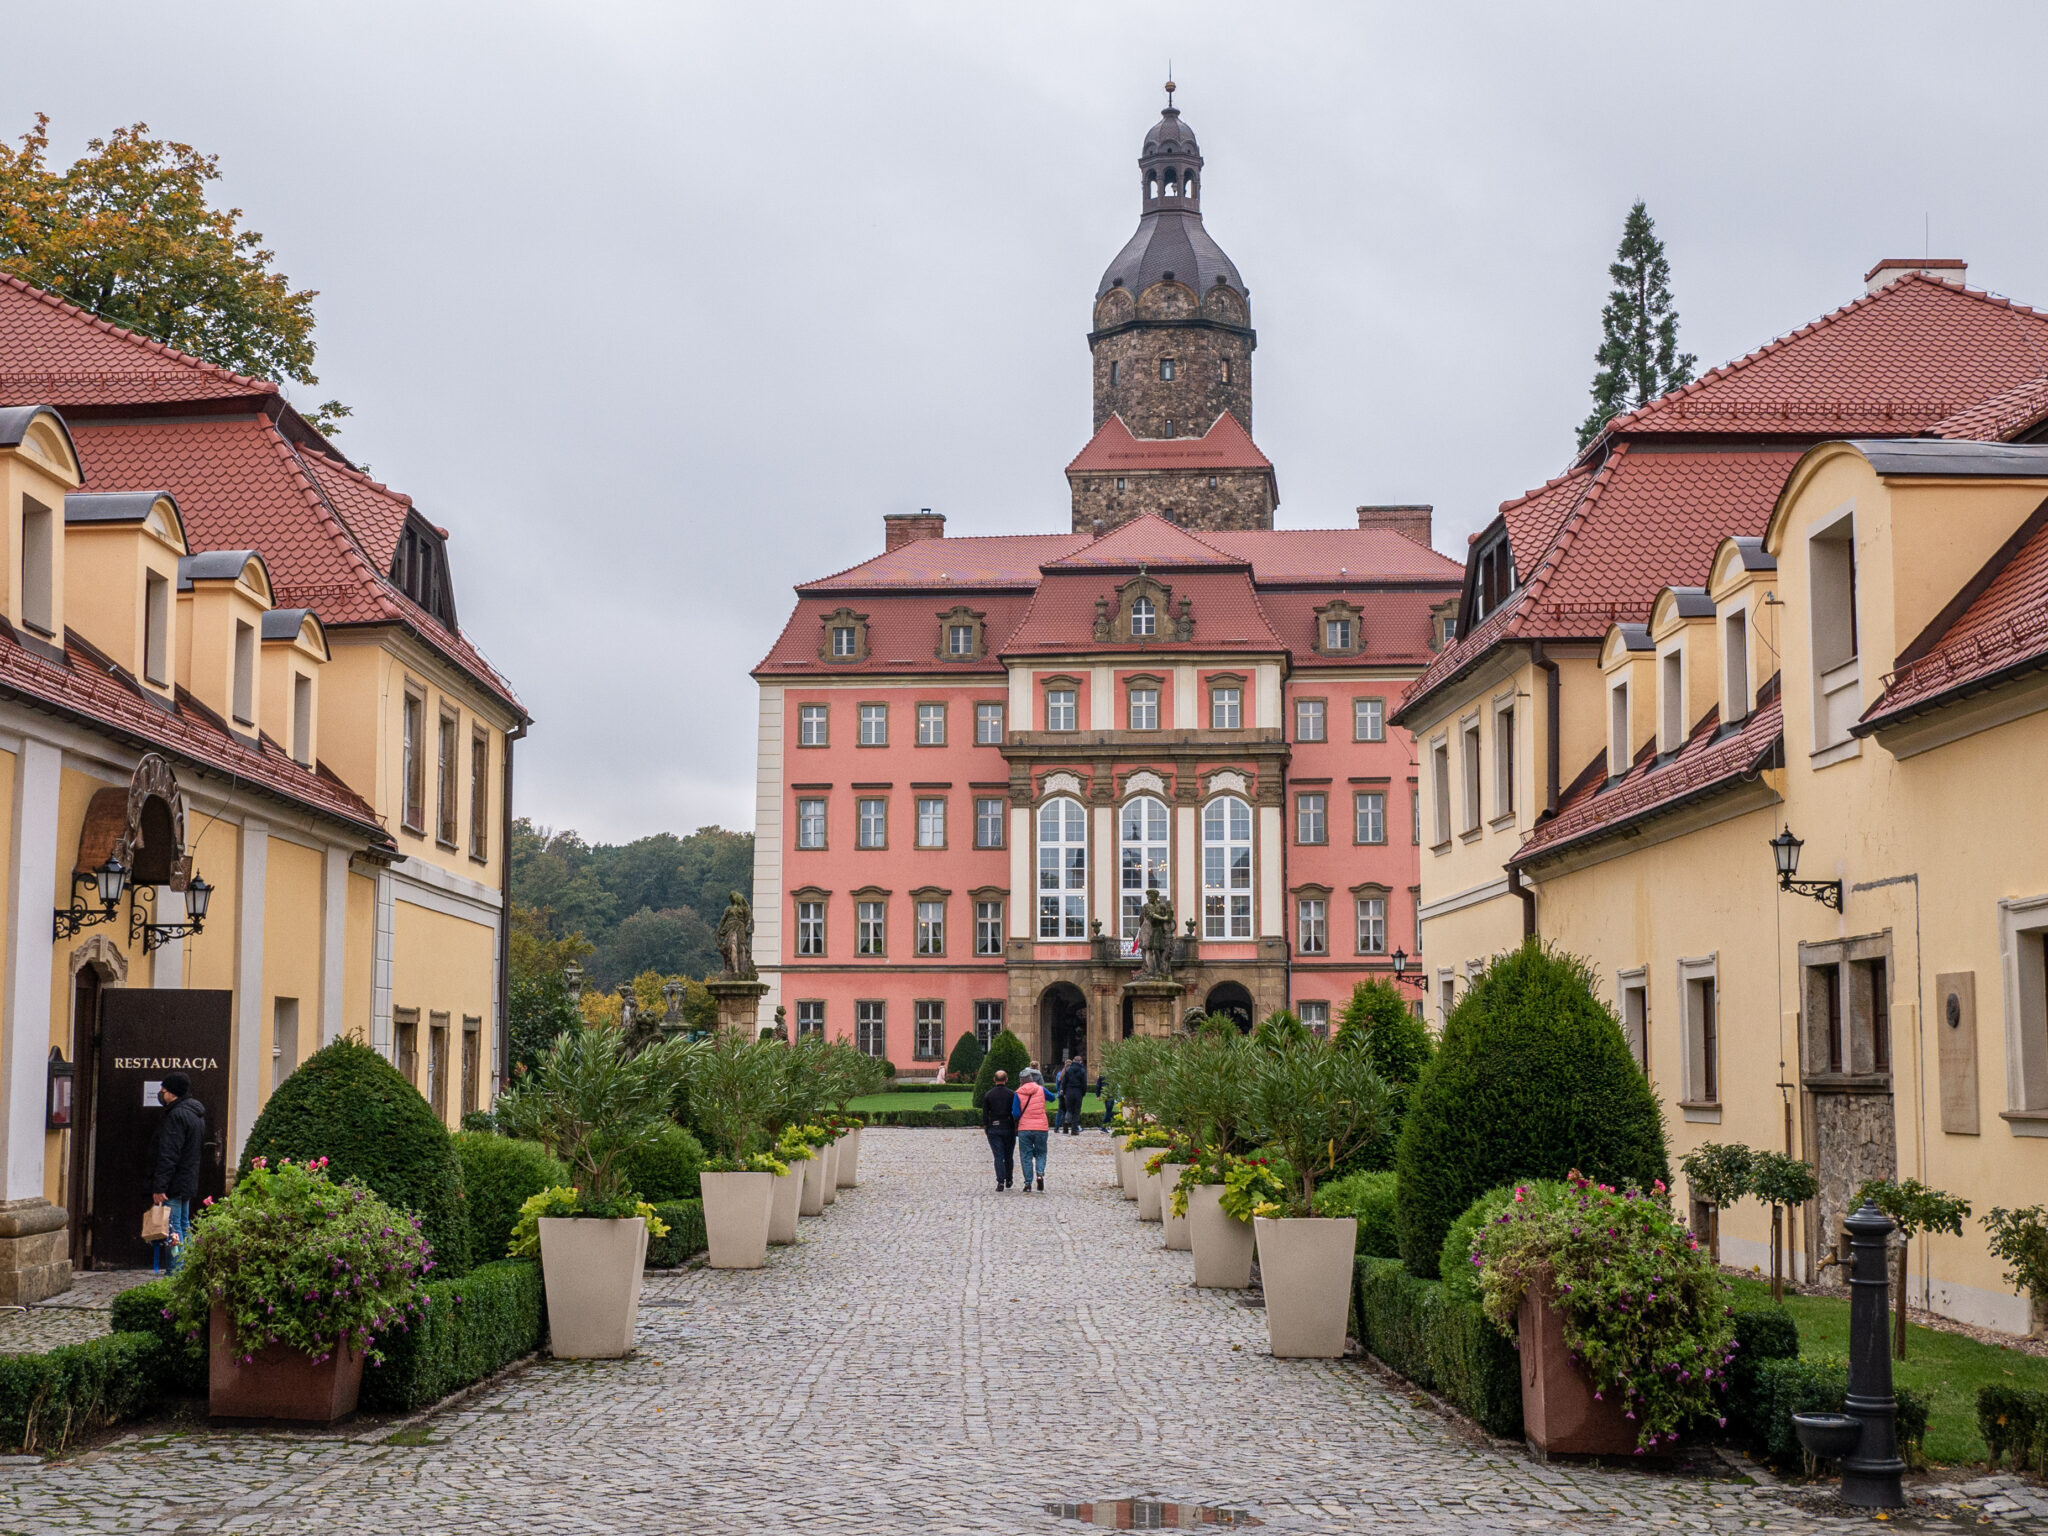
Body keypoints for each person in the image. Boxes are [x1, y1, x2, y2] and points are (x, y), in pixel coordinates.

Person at [148, 1073, 206, 1269]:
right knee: (183, 1225)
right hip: (186, 1180)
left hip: (173, 1182)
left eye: (163, 1091)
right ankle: (186, 1268)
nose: (161, 1095)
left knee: (173, 1230)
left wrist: (159, 1186)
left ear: (171, 1093)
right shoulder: (194, 1113)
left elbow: (168, 1154)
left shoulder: (176, 1116)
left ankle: (176, 1272)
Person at [979, 1068, 1020, 1191]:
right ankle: (1009, 1178)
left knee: (998, 1156)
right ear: (1006, 1080)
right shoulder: (1012, 1094)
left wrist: (986, 1127)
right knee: (1009, 1155)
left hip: (994, 1127)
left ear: (994, 1080)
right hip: (1008, 1126)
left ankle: (1000, 1182)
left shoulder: (989, 1094)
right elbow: (1016, 1112)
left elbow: (985, 1114)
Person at [1015, 1066, 1050, 1191]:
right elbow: (1052, 1097)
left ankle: (1028, 1183)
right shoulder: (1041, 1089)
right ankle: (1040, 1174)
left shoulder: (1018, 1093)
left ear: (1021, 1081)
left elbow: (1015, 1113)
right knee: (1041, 1153)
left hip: (1024, 1128)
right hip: (1041, 1127)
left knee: (1026, 1156)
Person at [1056, 1055, 1086, 1135]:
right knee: (1076, 1111)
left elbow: (1064, 1082)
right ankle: (1074, 1130)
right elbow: (1084, 1084)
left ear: (1073, 1060)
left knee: (1069, 1110)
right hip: (1078, 1092)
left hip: (1069, 1092)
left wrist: (1064, 1092)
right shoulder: (1082, 1070)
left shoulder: (1068, 1070)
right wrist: (1083, 1093)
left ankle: (1065, 1127)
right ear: (1081, 1062)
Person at [1097, 1066, 1116, 1132]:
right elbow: (1098, 1085)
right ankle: (1103, 1126)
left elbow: (1098, 1085)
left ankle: (1107, 1125)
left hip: (1106, 1093)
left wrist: (1098, 1095)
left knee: (1109, 1110)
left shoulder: (1102, 1075)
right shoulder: (1113, 1074)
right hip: (1109, 1093)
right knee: (1108, 1110)